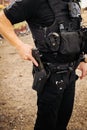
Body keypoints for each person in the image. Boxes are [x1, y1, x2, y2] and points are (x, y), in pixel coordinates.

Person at [0, 0, 87, 130]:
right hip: (50, 78)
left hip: (70, 75)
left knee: (62, 122)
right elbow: (2, 20)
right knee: (46, 125)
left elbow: (74, 33)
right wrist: (19, 46)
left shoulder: (71, 1)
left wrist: (81, 59)